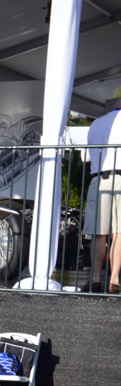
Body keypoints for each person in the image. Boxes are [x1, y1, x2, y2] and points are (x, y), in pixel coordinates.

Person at [83, 91, 121, 293]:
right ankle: (114, 279)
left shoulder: (97, 124)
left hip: (100, 178)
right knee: (120, 234)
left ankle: (95, 279)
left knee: (99, 233)